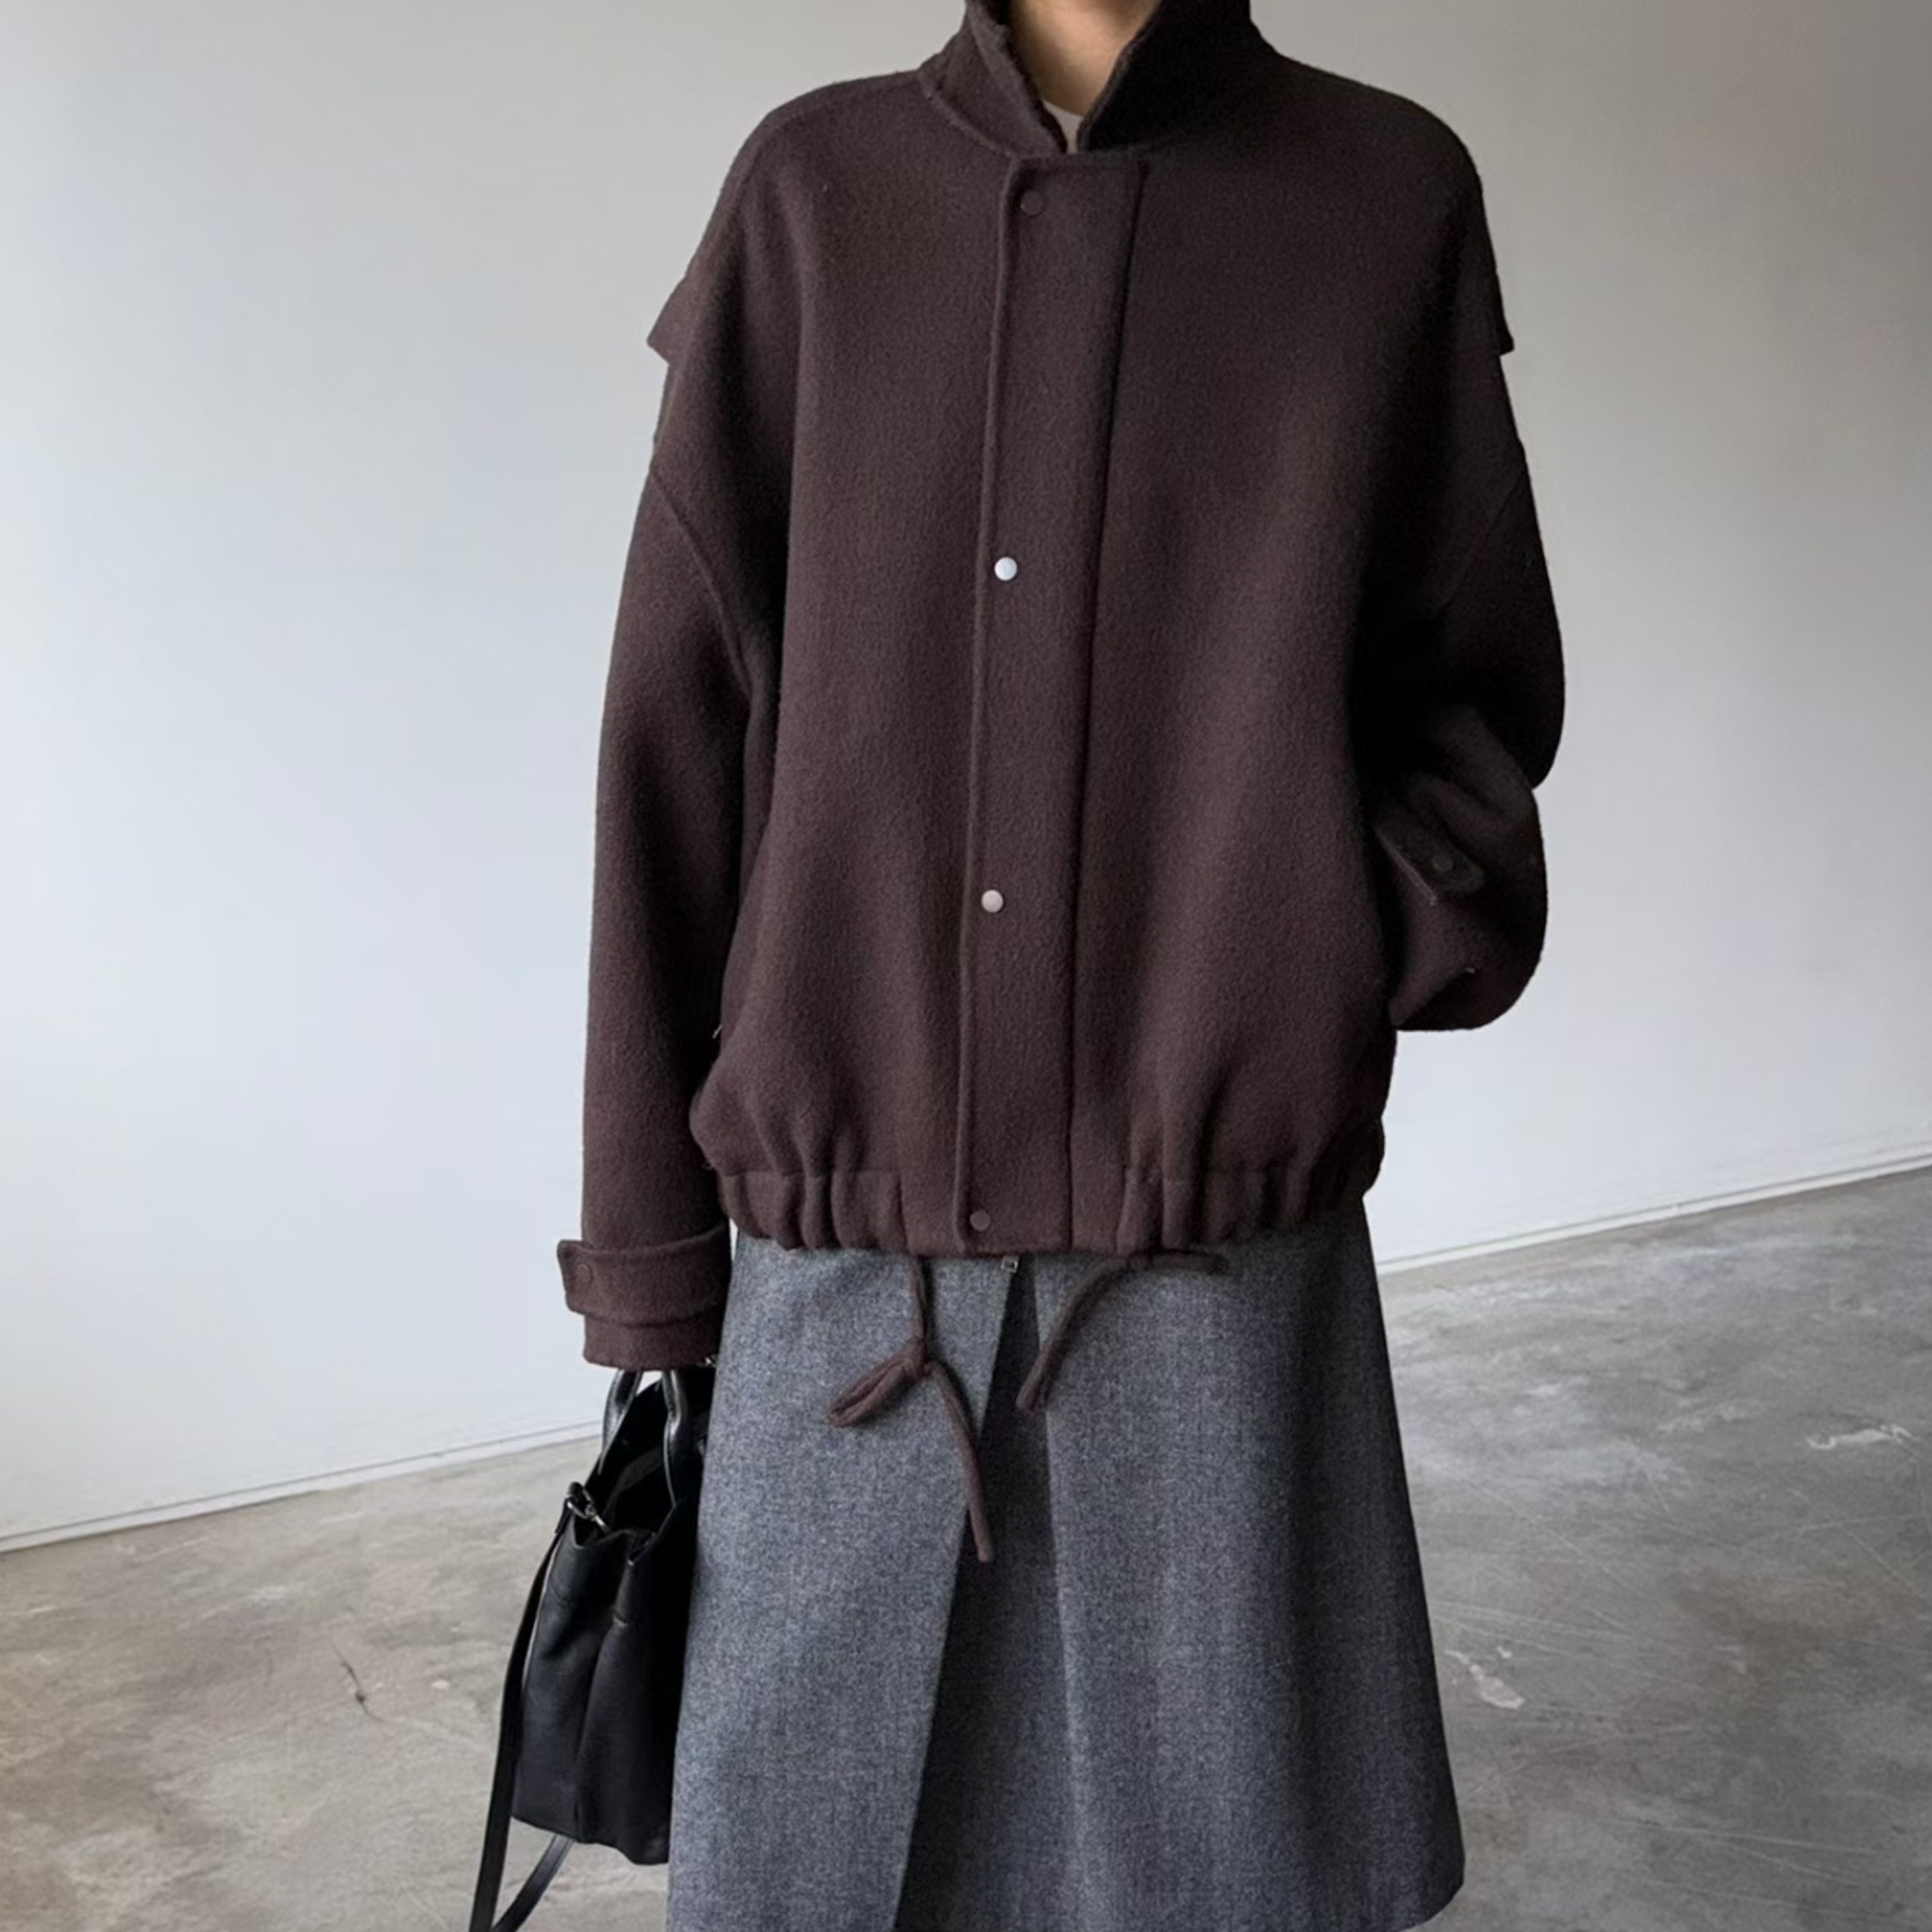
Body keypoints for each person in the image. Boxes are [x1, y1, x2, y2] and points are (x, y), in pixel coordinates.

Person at [556, 1, 1565, 1926]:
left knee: (1218, 1861)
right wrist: (649, 1258)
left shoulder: (1384, 193)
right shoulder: (815, 191)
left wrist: (1313, 941)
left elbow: (1472, 694)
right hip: (850, 1294)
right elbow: (671, 752)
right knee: (815, 1866)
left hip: (1212, 1270)